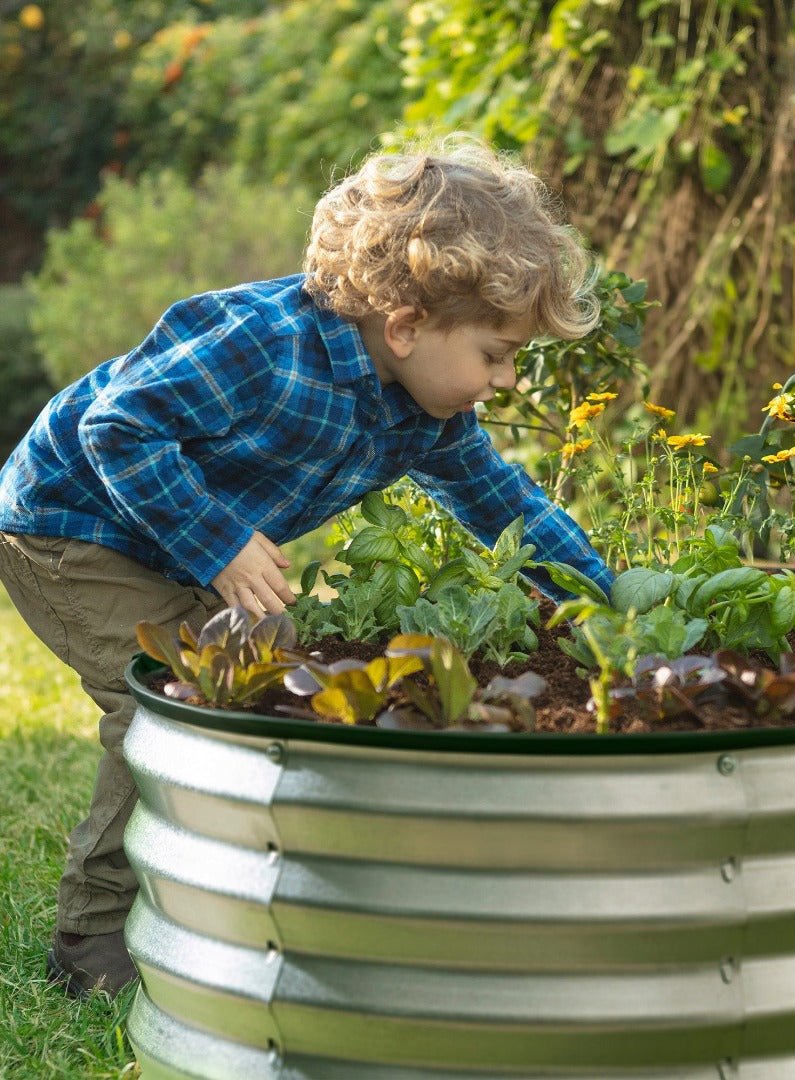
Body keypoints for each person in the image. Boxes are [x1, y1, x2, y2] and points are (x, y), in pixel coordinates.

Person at [0, 136, 614, 998]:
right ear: (404, 327)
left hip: (162, 537)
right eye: (496, 353)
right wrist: (217, 542)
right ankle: (93, 933)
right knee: (175, 702)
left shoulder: (423, 413)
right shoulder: (263, 345)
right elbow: (117, 431)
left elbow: (504, 506)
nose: (505, 381)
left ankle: (215, 891)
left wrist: (605, 600)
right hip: (70, 527)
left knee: (268, 662)